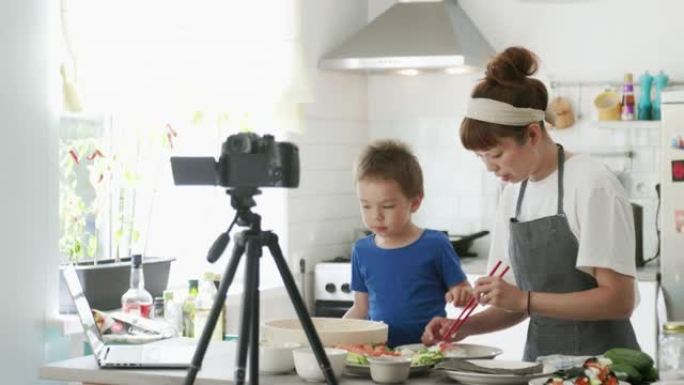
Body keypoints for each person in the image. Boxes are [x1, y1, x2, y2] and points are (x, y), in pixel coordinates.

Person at [421, 46, 641, 361]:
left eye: (496, 154)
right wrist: (463, 327)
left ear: (533, 134)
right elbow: (514, 304)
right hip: (540, 367)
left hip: (604, 369)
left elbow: (619, 301)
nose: (490, 167)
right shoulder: (513, 192)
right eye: (481, 157)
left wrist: (524, 299)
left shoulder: (592, 183)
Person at [344, 139, 473, 347]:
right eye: (366, 206)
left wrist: (462, 294)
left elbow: (465, 293)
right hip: (380, 354)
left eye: (387, 206)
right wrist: (333, 340)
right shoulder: (361, 250)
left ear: (414, 202)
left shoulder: (436, 245)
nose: (375, 216)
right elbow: (360, 309)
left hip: (428, 352)